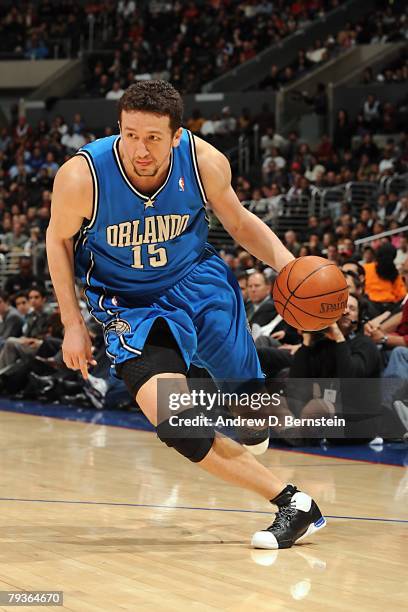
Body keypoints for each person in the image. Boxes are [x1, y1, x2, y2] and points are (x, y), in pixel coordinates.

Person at [46, 80, 325, 550]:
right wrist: (73, 323)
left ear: (177, 136)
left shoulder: (204, 162)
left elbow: (237, 222)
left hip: (197, 283)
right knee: (178, 421)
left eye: (153, 138)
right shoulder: (82, 177)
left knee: (251, 410)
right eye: (130, 134)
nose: (139, 148)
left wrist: (289, 267)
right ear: (119, 127)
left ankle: (251, 429)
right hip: (127, 303)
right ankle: (294, 504)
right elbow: (58, 241)